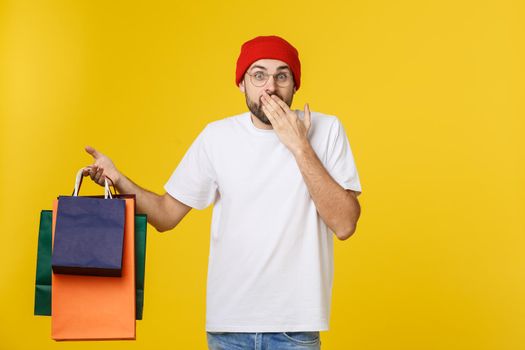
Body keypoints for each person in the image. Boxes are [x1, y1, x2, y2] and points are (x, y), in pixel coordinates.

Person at [83, 35, 362, 350]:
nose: (270, 87)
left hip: (294, 329)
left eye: (281, 76)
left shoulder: (326, 130)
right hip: (228, 328)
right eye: (258, 75)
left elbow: (344, 224)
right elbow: (164, 215)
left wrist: (299, 146)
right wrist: (118, 179)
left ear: (294, 85)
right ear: (242, 83)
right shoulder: (216, 137)